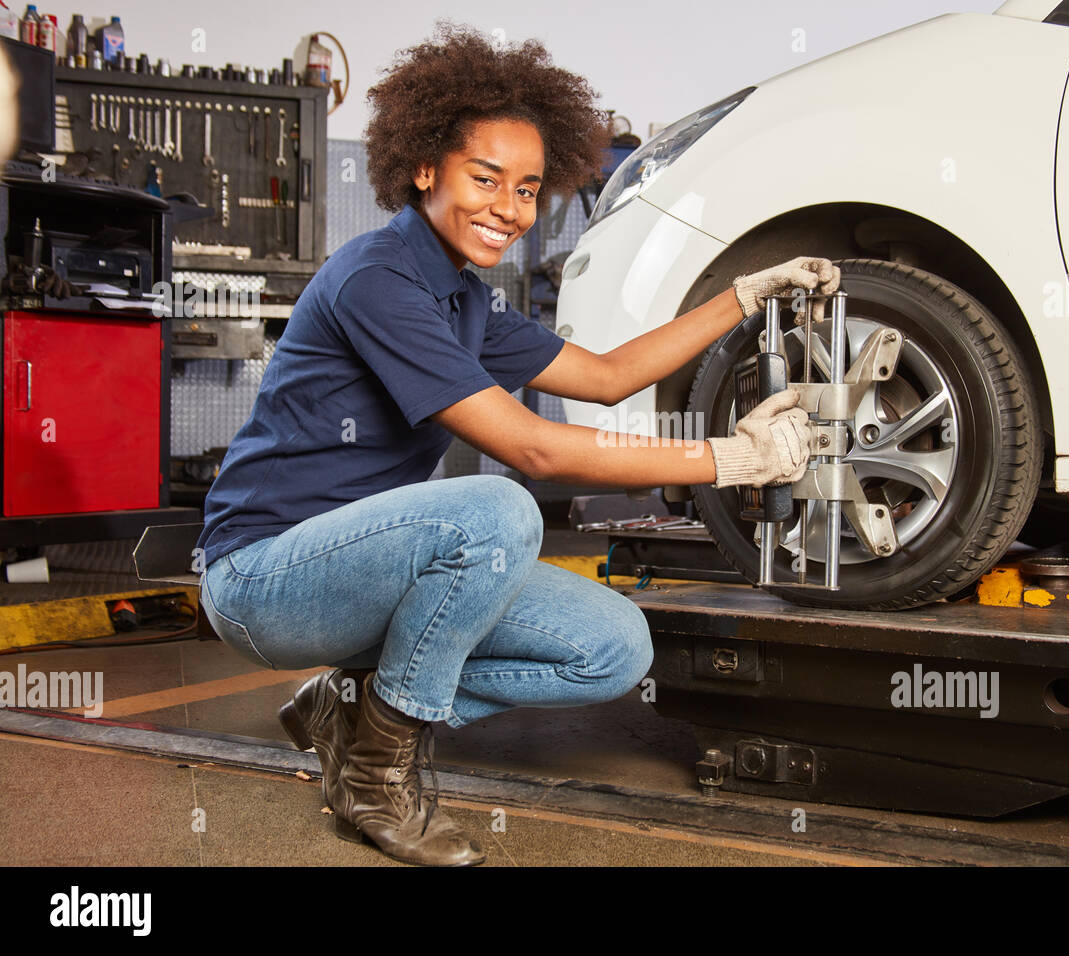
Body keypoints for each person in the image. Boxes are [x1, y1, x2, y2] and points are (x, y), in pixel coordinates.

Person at [196, 22, 838, 867]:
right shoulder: (378, 279)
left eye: (528, 189)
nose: (508, 208)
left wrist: (744, 297)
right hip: (264, 580)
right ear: (425, 168)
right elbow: (535, 452)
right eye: (485, 178)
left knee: (613, 649)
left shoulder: (463, 300)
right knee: (496, 508)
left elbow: (608, 374)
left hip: (373, 576)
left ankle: (355, 714)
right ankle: (377, 780)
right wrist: (731, 458)